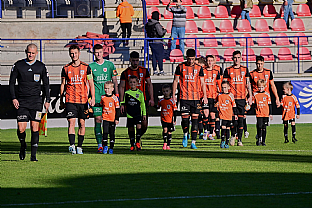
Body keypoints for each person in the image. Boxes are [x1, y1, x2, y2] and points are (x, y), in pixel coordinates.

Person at [9, 44, 50, 161]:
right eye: (29, 52)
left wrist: (47, 100)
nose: (30, 55)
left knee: (34, 127)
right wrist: (14, 98)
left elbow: (46, 84)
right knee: (21, 128)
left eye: (33, 53)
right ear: (25, 52)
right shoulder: (18, 65)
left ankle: (33, 156)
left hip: (36, 101)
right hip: (22, 101)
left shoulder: (41, 66)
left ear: (36, 53)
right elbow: (11, 83)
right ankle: (23, 146)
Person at [60, 45, 95, 155]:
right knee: (71, 122)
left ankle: (79, 146)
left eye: (75, 53)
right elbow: (63, 84)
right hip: (70, 99)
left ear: (79, 53)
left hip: (83, 100)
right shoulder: (66, 68)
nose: (73, 55)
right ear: (69, 54)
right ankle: (72, 145)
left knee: (82, 123)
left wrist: (92, 97)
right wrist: (61, 99)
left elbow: (91, 84)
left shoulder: (86, 67)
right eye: (71, 53)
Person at [172, 49, 208, 149]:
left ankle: (193, 142)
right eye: (189, 59)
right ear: (186, 57)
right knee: (185, 119)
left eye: (192, 59)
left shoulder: (199, 68)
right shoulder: (180, 67)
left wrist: (204, 96)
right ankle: (185, 134)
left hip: (196, 98)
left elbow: (202, 83)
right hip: (184, 97)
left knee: (195, 120)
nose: (191, 61)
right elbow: (175, 81)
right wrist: (173, 95)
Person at [89, 44, 118, 153]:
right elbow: (89, 83)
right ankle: (100, 144)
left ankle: (108, 144)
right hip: (97, 98)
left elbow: (115, 80)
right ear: (94, 53)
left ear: (103, 52)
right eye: (96, 52)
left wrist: (116, 94)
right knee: (98, 120)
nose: (99, 54)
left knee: (109, 122)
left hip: (109, 99)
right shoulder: (91, 66)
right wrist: (90, 97)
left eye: (100, 52)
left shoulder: (110, 65)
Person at [119, 51, 154, 137]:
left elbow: (149, 84)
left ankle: (138, 138)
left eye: (137, 60)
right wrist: (122, 102)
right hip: (130, 101)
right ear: (130, 60)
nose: (135, 62)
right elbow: (122, 87)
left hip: (142, 101)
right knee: (131, 125)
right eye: (133, 60)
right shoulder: (125, 73)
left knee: (144, 124)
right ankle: (134, 142)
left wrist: (152, 98)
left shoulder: (144, 71)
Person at [223, 50, 252, 146]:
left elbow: (248, 84)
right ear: (232, 59)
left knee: (241, 119)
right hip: (231, 99)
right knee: (232, 119)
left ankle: (239, 139)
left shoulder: (245, 69)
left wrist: (250, 96)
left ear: (241, 58)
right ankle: (232, 135)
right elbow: (224, 84)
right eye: (235, 57)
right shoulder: (228, 70)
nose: (237, 59)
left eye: (238, 57)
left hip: (242, 98)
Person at [120, 75, 146, 151]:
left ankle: (137, 142)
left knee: (139, 127)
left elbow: (142, 104)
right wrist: (122, 106)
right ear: (128, 83)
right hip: (130, 114)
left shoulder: (140, 93)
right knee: (131, 129)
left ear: (137, 83)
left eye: (134, 82)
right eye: (131, 82)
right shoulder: (127, 93)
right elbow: (124, 102)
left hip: (138, 114)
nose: (132, 84)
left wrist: (144, 114)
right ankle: (132, 144)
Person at [201, 55, 221, 140]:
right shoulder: (202, 71)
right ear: (206, 61)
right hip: (205, 96)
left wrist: (220, 97)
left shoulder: (216, 72)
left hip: (214, 97)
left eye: (211, 61)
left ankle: (210, 133)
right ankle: (205, 131)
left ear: (214, 62)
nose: (209, 62)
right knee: (206, 114)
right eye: (208, 61)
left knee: (213, 115)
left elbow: (219, 85)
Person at [215, 81, 238, 149]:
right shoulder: (219, 95)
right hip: (222, 115)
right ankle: (222, 141)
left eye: (225, 87)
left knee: (228, 128)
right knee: (223, 127)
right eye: (222, 88)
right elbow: (217, 104)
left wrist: (235, 114)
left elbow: (234, 105)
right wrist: (217, 115)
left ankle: (227, 143)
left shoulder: (231, 95)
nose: (224, 89)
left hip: (229, 115)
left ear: (228, 87)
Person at [100, 81, 120, 154]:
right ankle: (105, 147)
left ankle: (111, 148)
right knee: (105, 132)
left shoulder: (115, 98)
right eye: (105, 88)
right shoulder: (103, 97)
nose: (106, 90)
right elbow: (101, 105)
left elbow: (118, 109)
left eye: (108, 88)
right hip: (105, 118)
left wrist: (117, 119)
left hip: (112, 119)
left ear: (112, 89)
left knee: (112, 133)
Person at [145, 11, 167, 76]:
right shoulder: (157, 24)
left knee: (154, 56)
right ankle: (161, 70)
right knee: (160, 57)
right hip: (158, 42)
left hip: (151, 42)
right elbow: (160, 33)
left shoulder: (148, 24)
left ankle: (155, 70)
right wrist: (164, 30)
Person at [157, 84, 178, 150]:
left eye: (167, 91)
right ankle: (165, 143)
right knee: (165, 129)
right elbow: (157, 107)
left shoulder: (172, 101)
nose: (165, 93)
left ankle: (168, 145)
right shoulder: (161, 100)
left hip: (170, 119)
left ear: (170, 91)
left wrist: (174, 119)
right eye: (164, 91)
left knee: (169, 131)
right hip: (163, 118)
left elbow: (175, 111)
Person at [253, 79, 273, 146]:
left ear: (264, 87)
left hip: (265, 114)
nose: (260, 89)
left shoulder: (267, 94)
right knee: (259, 126)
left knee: (264, 127)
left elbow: (269, 104)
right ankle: (258, 139)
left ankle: (263, 141)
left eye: (262, 87)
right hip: (259, 113)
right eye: (259, 87)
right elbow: (253, 104)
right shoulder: (255, 94)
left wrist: (270, 114)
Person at [212, 55, 223, 139]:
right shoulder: (205, 70)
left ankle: (218, 132)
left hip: (216, 95)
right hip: (209, 95)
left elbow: (220, 82)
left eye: (214, 59)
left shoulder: (219, 69)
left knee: (217, 115)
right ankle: (210, 131)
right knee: (211, 115)